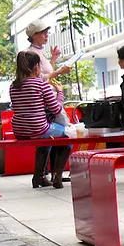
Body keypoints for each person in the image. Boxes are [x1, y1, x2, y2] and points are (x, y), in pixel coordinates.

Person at [9, 51, 72, 189]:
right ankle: (57, 176)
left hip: (19, 131)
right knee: (68, 135)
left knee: (46, 137)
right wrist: (60, 92)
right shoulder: (41, 85)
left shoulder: (13, 86)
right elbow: (56, 109)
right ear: (36, 66)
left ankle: (39, 177)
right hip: (37, 128)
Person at [25, 19, 73, 181]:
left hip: (48, 99)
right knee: (65, 132)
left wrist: (53, 59)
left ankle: (42, 175)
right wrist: (59, 72)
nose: (46, 36)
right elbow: (38, 77)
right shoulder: (30, 54)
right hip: (47, 101)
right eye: (43, 33)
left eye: (47, 33)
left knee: (49, 137)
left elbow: (45, 74)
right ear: (34, 35)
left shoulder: (40, 52)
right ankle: (54, 175)